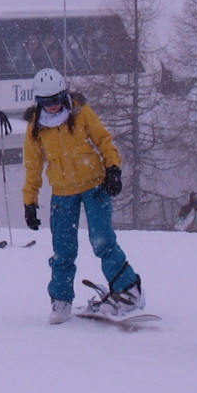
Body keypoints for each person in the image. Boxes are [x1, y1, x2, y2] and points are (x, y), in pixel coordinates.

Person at [21, 67, 142, 324]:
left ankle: (129, 290)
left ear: (63, 95)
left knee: (102, 241)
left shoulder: (80, 112)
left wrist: (113, 169)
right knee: (63, 250)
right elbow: (32, 167)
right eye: (46, 102)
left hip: (94, 186)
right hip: (63, 194)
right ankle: (61, 300)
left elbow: (103, 140)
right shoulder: (35, 129)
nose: (52, 107)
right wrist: (29, 202)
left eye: (55, 100)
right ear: (38, 102)